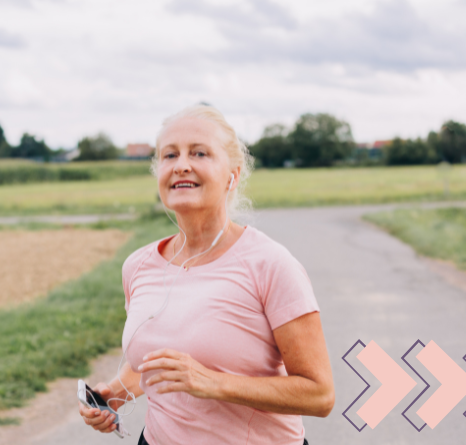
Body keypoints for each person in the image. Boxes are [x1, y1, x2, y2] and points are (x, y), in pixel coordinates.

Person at [79, 105, 334, 444]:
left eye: (199, 153)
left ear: (233, 175)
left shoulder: (271, 264)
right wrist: (115, 393)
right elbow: (155, 365)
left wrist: (213, 382)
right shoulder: (138, 266)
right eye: (170, 155)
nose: (181, 164)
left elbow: (319, 395)